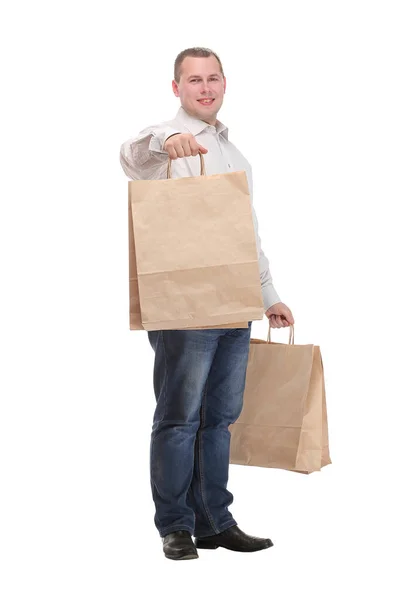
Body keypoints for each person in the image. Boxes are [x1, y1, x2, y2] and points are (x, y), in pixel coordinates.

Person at [120, 47, 294, 561]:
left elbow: (248, 235)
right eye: (193, 80)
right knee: (179, 418)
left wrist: (270, 296)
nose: (204, 87)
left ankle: (215, 521)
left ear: (224, 83)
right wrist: (163, 140)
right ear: (177, 88)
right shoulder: (165, 143)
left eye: (212, 78)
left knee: (219, 420)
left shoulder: (236, 156)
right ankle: (175, 525)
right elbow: (130, 157)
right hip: (183, 310)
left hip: (234, 306)